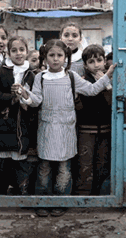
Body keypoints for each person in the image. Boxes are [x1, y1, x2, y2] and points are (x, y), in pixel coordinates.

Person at [16, 39, 116, 217]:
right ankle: (43, 202)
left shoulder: (71, 77)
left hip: (66, 131)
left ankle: (61, 202)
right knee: (44, 169)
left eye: (59, 55)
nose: (55, 59)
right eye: (51, 55)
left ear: (66, 58)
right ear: (45, 58)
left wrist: (107, 75)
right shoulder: (40, 77)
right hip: (46, 130)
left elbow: (92, 90)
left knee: (64, 169)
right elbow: (36, 100)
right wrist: (25, 94)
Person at [0, 36, 36, 195]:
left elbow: (36, 99)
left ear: (26, 51)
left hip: (24, 123)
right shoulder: (1, 71)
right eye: (14, 50)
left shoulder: (32, 74)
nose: (18, 53)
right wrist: (12, 97)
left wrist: (25, 96)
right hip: (5, 123)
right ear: (8, 53)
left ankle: (22, 194)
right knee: (3, 163)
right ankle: (0, 194)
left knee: (21, 162)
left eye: (21, 50)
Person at [73, 44, 112, 196]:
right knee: (85, 165)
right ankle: (83, 197)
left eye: (99, 60)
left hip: (105, 130)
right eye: (91, 62)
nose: (96, 65)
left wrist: (106, 84)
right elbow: (81, 108)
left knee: (102, 164)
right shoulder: (83, 81)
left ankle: (100, 196)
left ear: (104, 62)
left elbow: (111, 104)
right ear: (85, 65)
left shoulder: (110, 80)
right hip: (86, 131)